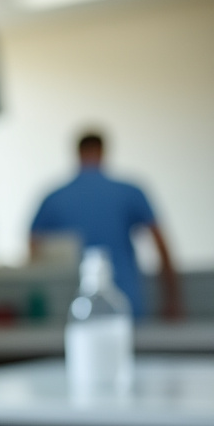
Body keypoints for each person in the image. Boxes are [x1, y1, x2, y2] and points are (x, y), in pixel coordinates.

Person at [30, 132, 182, 320]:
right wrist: (173, 299)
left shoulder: (54, 198)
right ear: (103, 152)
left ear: (77, 153)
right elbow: (160, 243)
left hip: (71, 308)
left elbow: (33, 250)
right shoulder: (129, 192)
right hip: (126, 304)